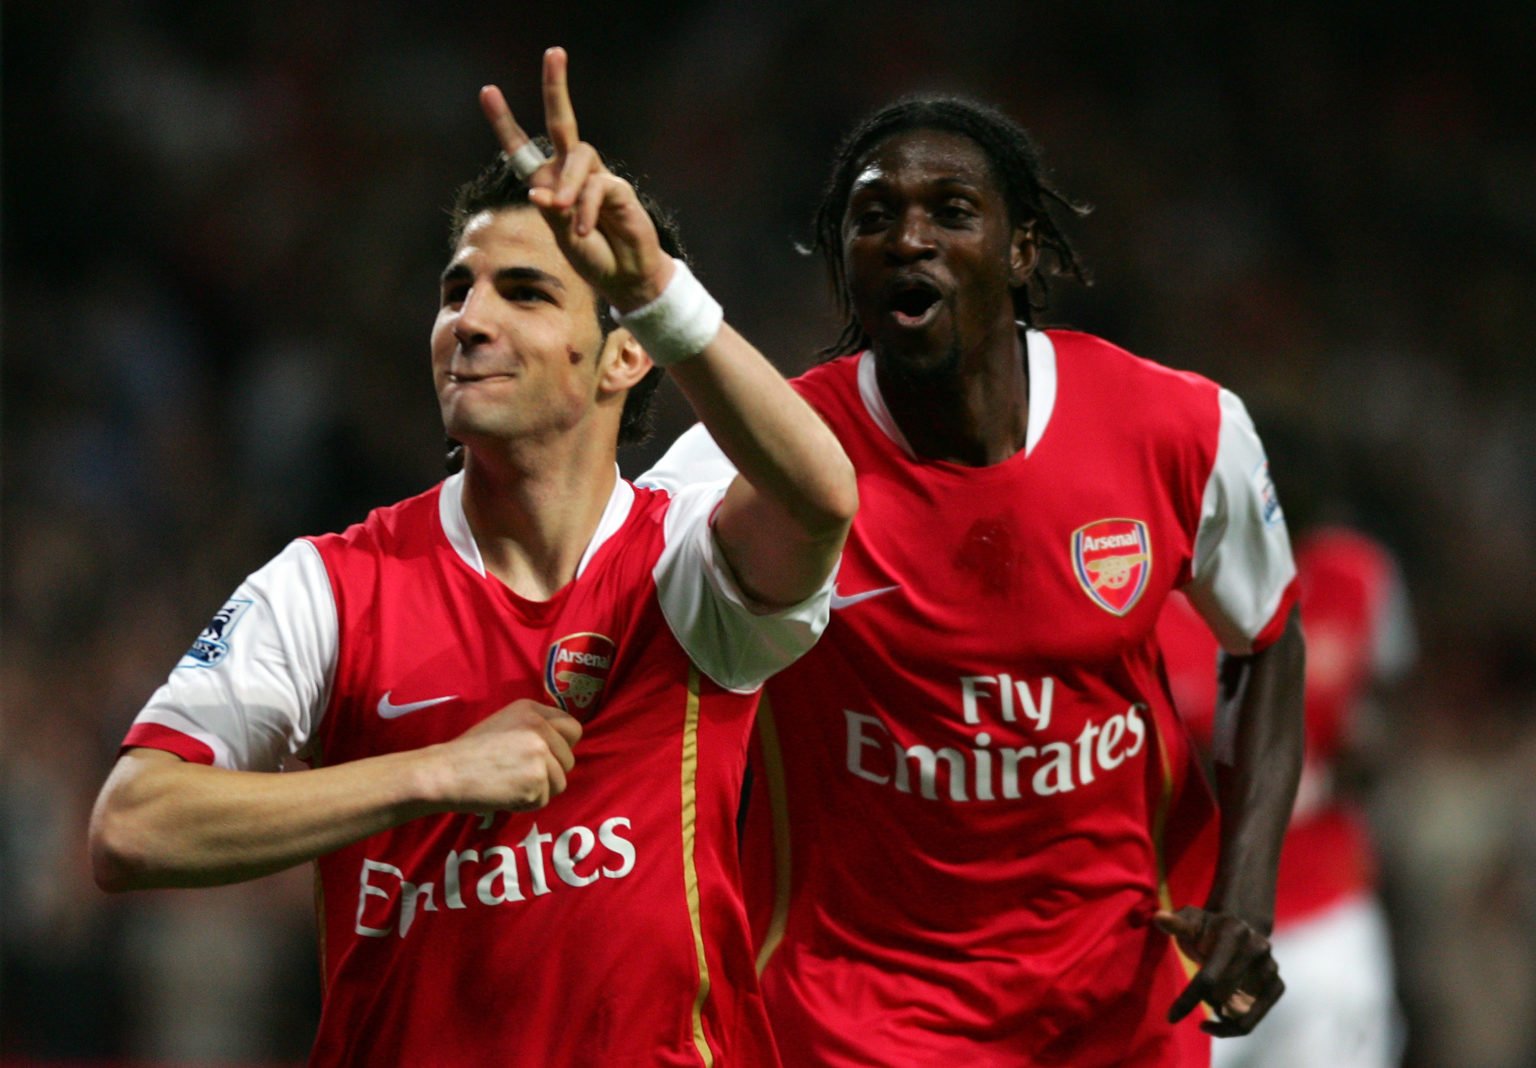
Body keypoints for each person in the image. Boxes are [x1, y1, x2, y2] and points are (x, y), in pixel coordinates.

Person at [88, 49, 856, 1066]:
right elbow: (133, 826)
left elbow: (820, 498)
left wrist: (662, 290)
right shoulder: (332, 586)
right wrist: (430, 772)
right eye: (458, 289)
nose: (468, 321)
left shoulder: (680, 563)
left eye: (526, 293)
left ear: (626, 353)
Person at [640, 94, 1305, 1065]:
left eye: (951, 210)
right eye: (873, 218)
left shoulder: (1182, 430)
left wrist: (1247, 890)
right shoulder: (764, 463)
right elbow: (599, 594)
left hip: (1117, 1009)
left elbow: (1269, 637)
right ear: (845, 264)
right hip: (857, 1020)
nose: (909, 238)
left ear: (1023, 248)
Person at [1157, 525, 1413, 1068]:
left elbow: (1385, 723)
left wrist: (1338, 753)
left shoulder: (1349, 574)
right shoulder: (1135, 601)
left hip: (1325, 918)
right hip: (1192, 936)